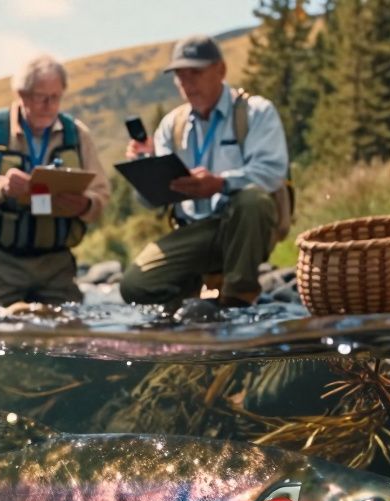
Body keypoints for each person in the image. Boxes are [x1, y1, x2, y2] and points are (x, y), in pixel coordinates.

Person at [120, 35, 291, 309]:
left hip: (242, 226)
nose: (187, 84)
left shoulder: (256, 112)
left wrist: (220, 184)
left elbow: (271, 172)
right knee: (133, 286)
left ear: (221, 70)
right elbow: (151, 202)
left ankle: (238, 300)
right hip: (194, 231)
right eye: (180, 76)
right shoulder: (171, 126)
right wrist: (144, 167)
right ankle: (190, 307)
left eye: (195, 73)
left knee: (252, 200)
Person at [0, 55, 111, 308]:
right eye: (41, 97)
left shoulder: (78, 135)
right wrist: (2, 187)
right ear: (21, 95)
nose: (49, 105)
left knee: (68, 327)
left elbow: (101, 194)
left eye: (55, 97)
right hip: (0, 264)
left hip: (57, 266)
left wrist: (85, 205)